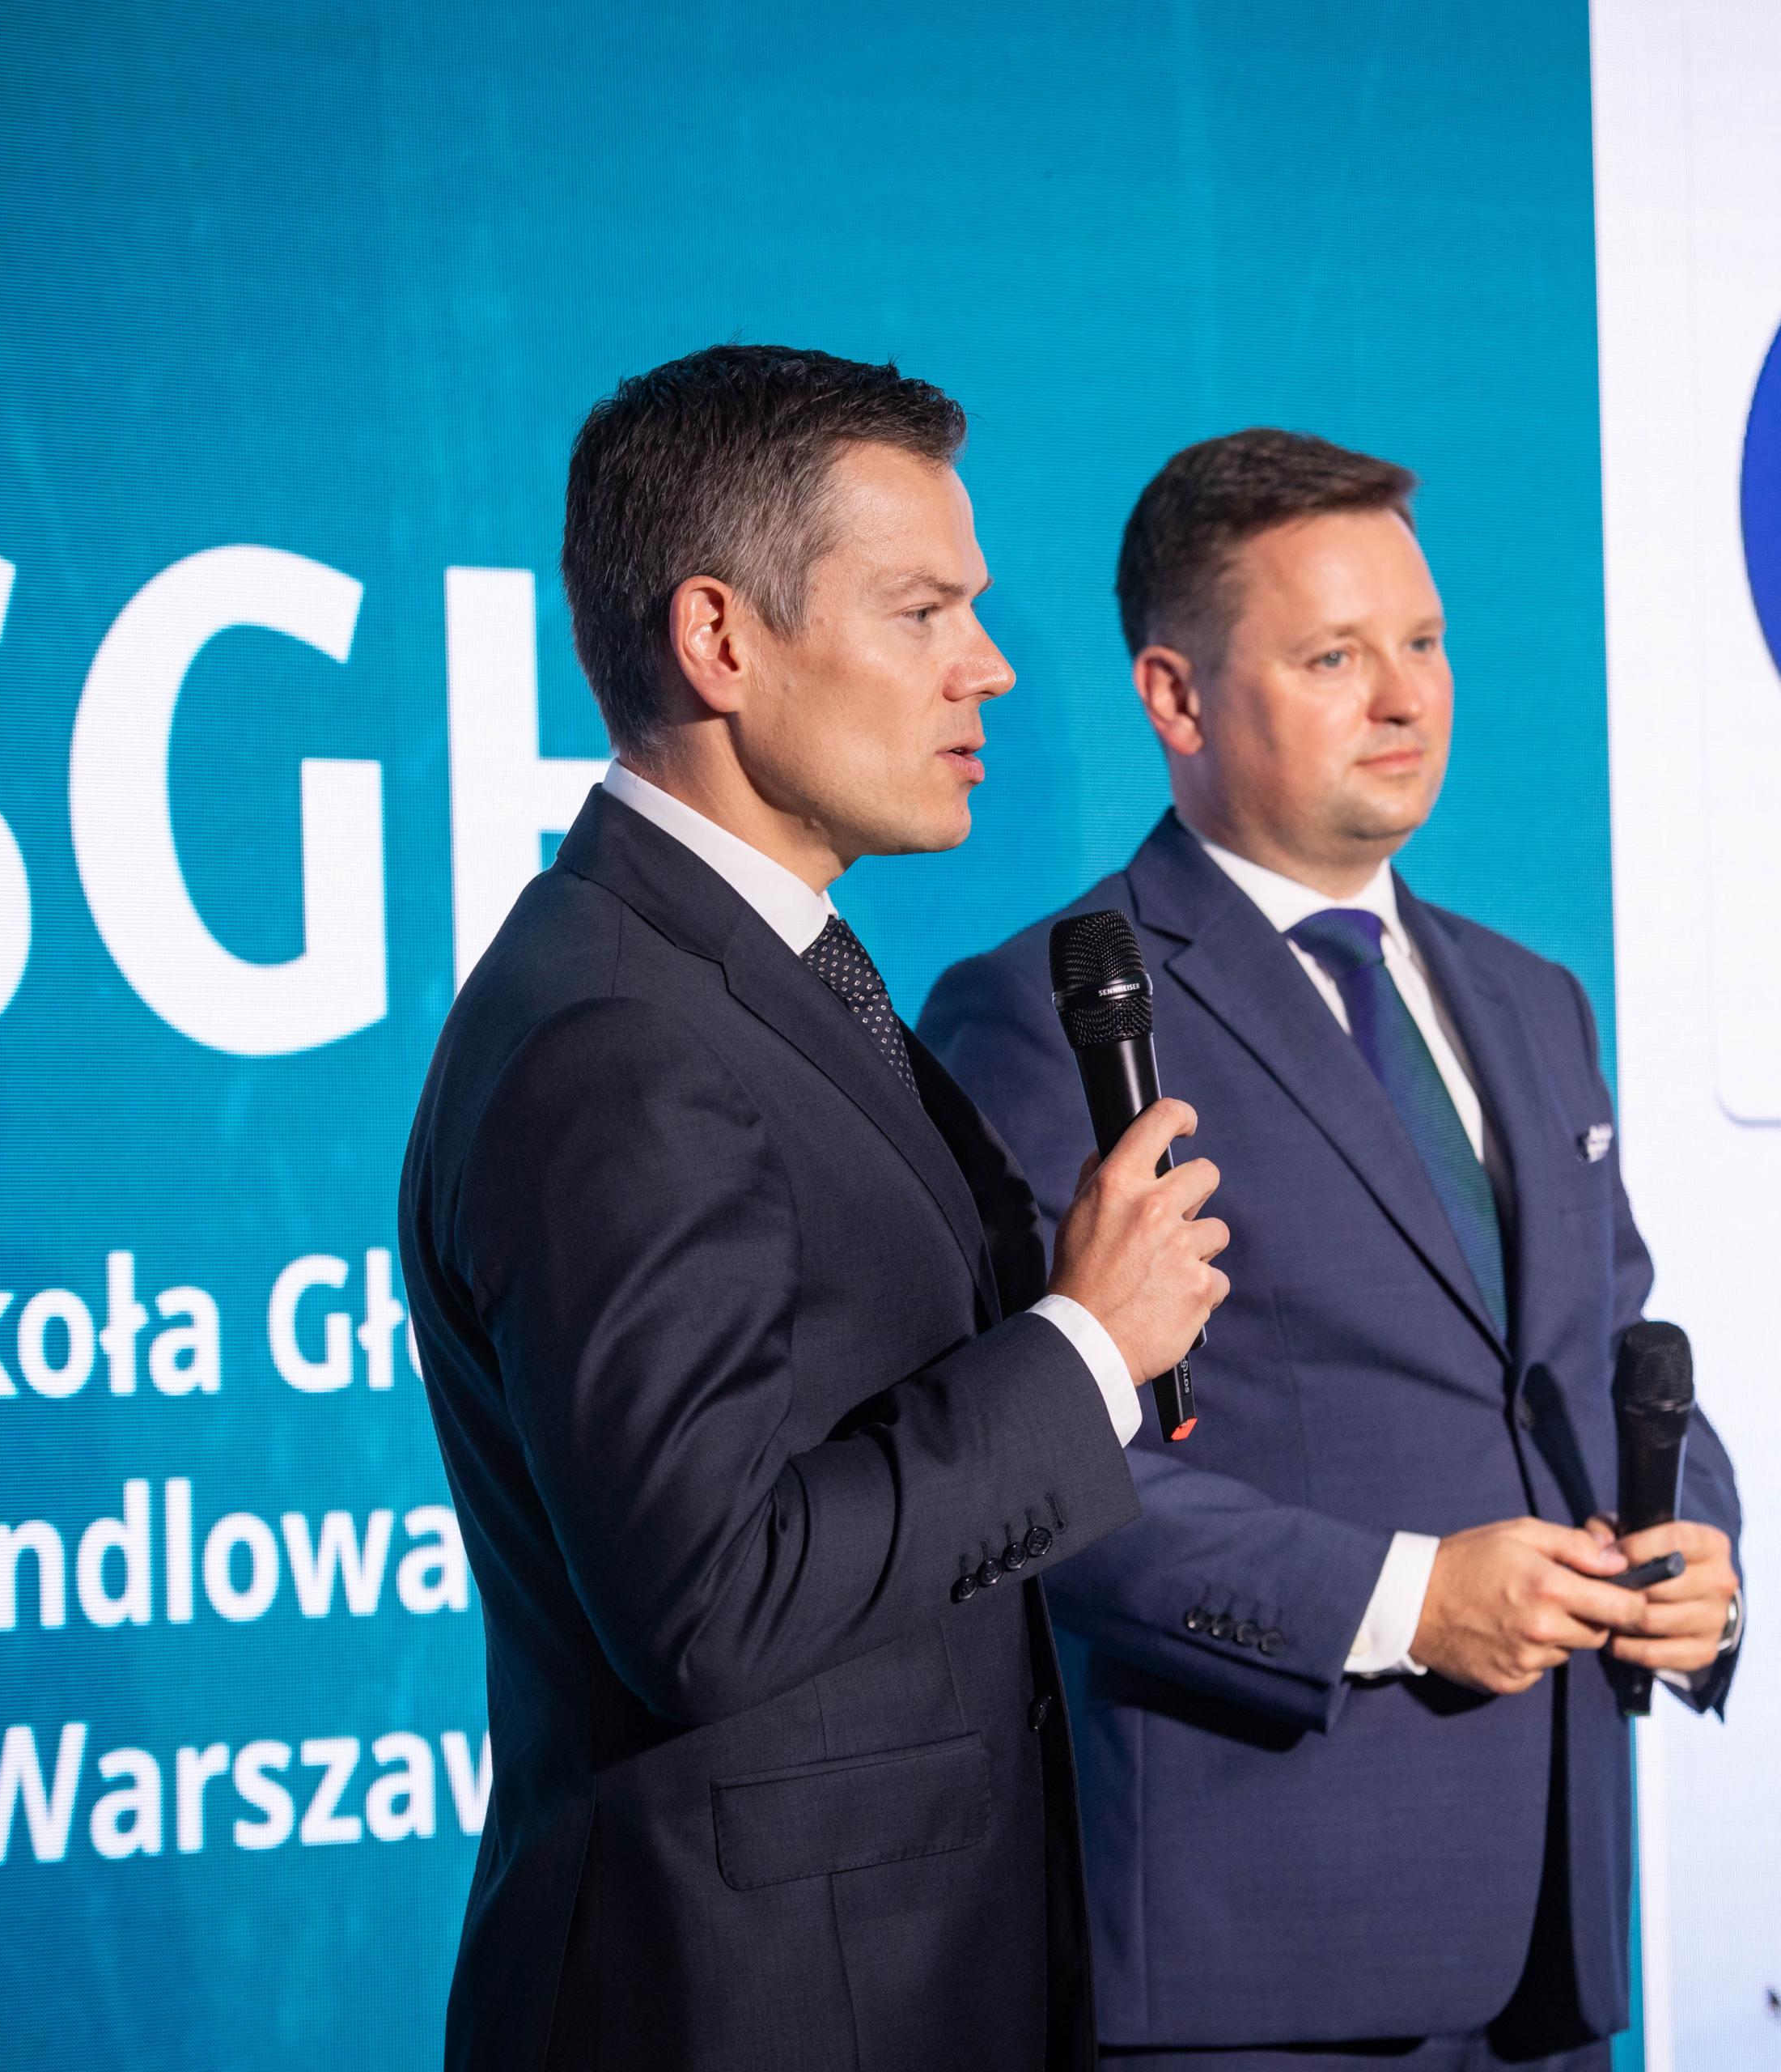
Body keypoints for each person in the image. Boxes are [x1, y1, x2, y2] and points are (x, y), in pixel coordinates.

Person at [397, 346, 1230, 2072]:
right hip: (749, 2003)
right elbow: (711, 1599)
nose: (989, 665)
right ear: (719, 639)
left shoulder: (765, 974)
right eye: (922, 611)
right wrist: (1085, 1349)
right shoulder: (618, 1037)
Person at [921, 429, 1743, 2070]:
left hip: (1553, 1960)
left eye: (1423, 642)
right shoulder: (1047, 1013)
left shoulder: (1533, 998)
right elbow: (1028, 1485)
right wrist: (1410, 1600)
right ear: (1176, 696)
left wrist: (1700, 1556)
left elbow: (1612, 1353)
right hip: (1259, 1969)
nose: (1405, 697)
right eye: (1333, 657)